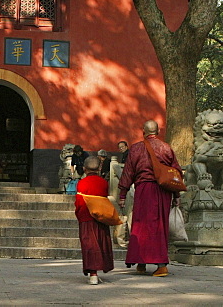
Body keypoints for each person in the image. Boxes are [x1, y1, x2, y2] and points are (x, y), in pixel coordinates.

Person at [117, 120, 179, 277]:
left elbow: (128, 172)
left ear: (143, 131)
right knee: (159, 226)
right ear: (158, 131)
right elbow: (176, 172)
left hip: (144, 189)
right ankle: (159, 264)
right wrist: (176, 195)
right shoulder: (167, 148)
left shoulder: (137, 148)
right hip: (164, 191)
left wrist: (123, 194)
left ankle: (142, 262)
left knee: (141, 226)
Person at [75, 155, 114, 285]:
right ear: (99, 168)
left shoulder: (81, 183)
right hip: (101, 218)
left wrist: (79, 216)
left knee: (89, 245)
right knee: (100, 243)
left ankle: (93, 274)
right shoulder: (104, 183)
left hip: (86, 218)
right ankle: (98, 270)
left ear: (84, 169)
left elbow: (80, 203)